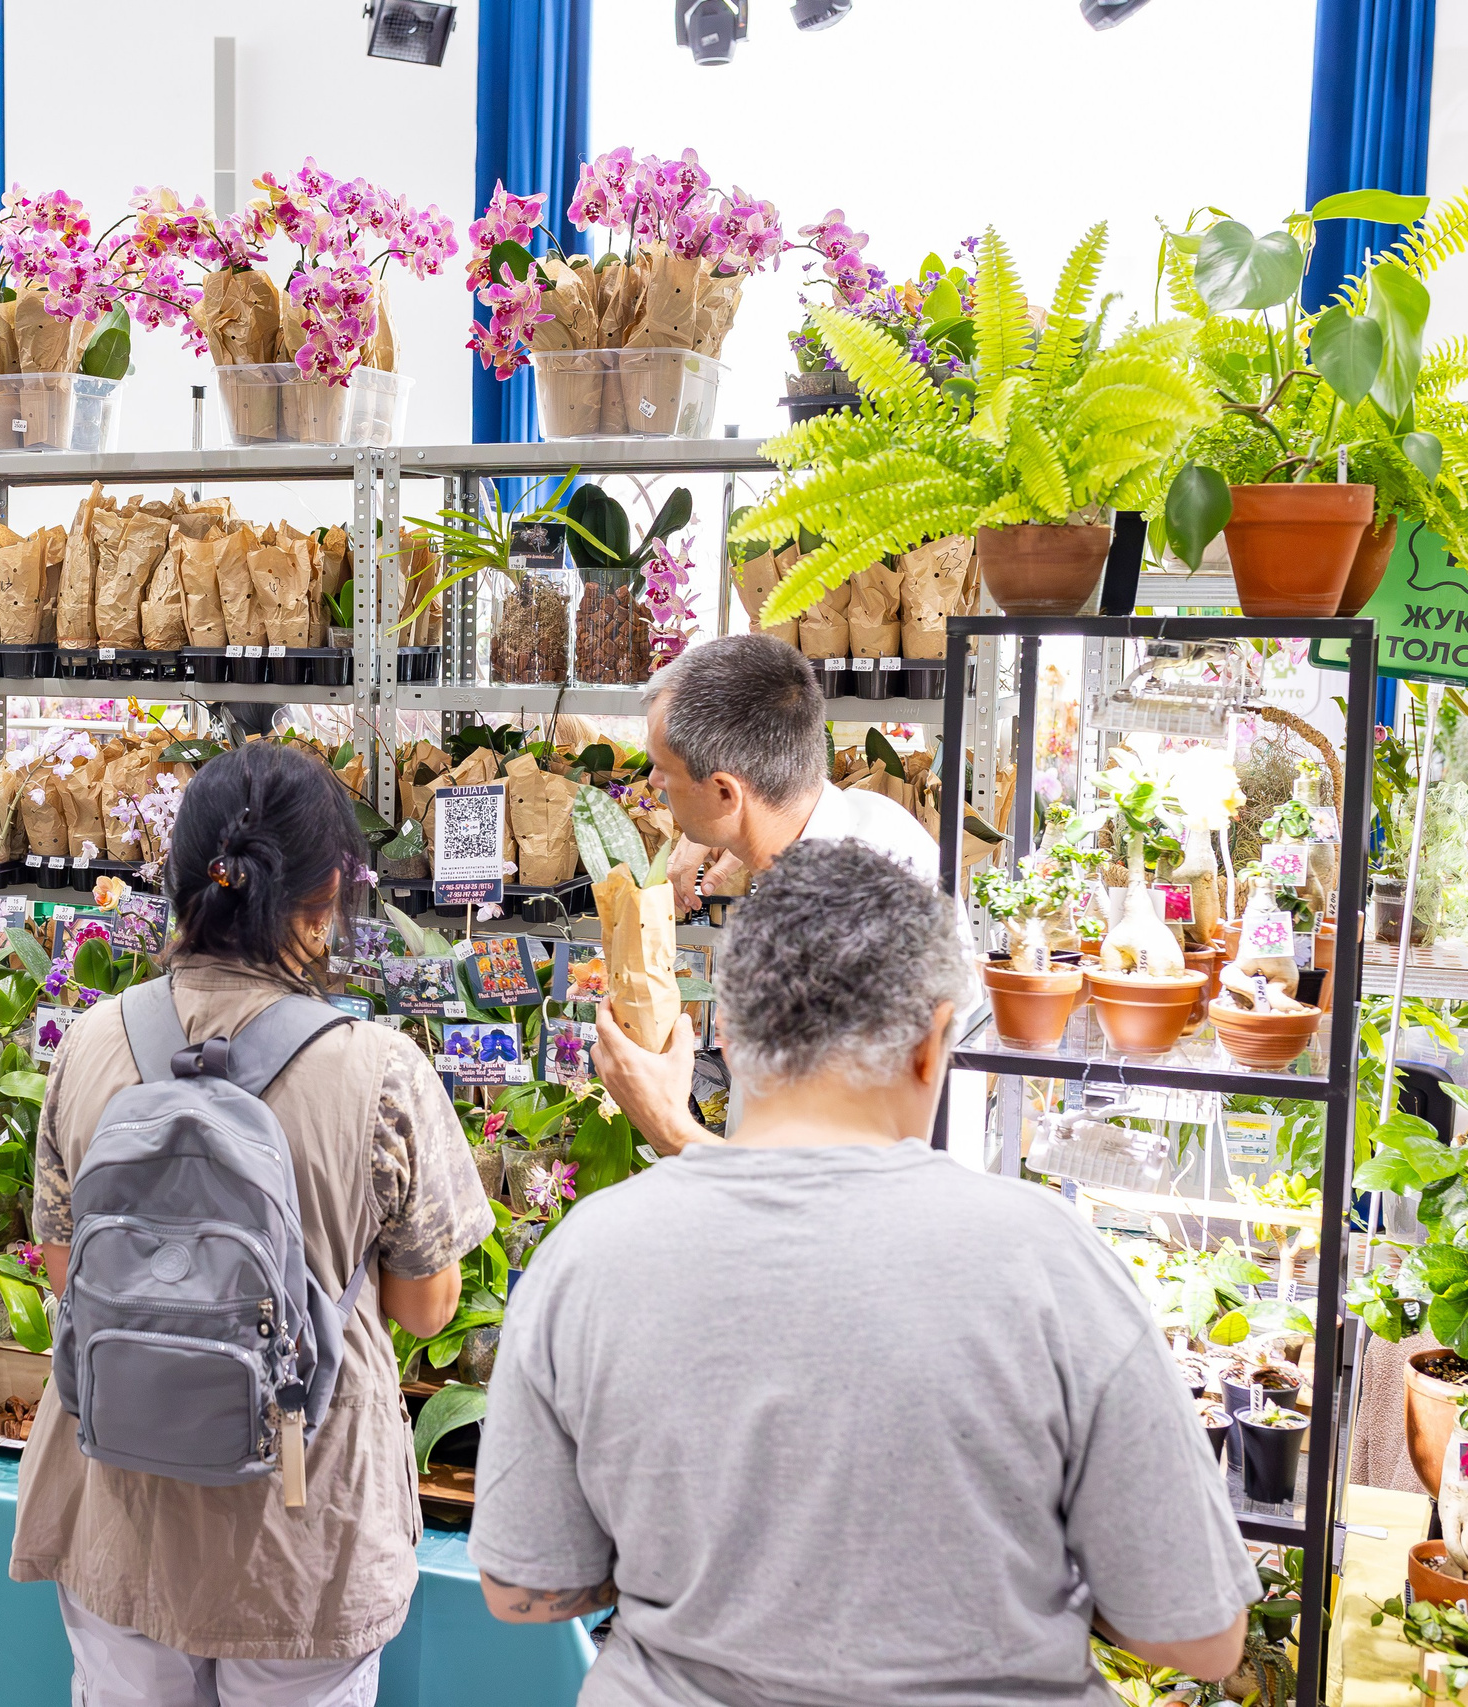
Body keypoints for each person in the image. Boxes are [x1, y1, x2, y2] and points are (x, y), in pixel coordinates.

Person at [470, 842, 1255, 1707]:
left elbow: (522, 1587)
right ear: (932, 1043)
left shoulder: (590, 1254)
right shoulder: (1051, 1262)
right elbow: (1200, 1637)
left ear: (725, 1033)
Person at [11, 743, 493, 1706]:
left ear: (179, 878)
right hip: (301, 1524)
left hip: (122, 1500)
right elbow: (428, 1307)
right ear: (324, 898)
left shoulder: (89, 1042)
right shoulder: (381, 1070)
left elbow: (66, 1272)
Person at [599, 632, 941, 1156]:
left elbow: (817, 1177)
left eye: (662, 767)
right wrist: (739, 833)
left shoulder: (844, 921)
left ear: (724, 791)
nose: (653, 782)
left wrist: (664, 1123)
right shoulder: (871, 822)